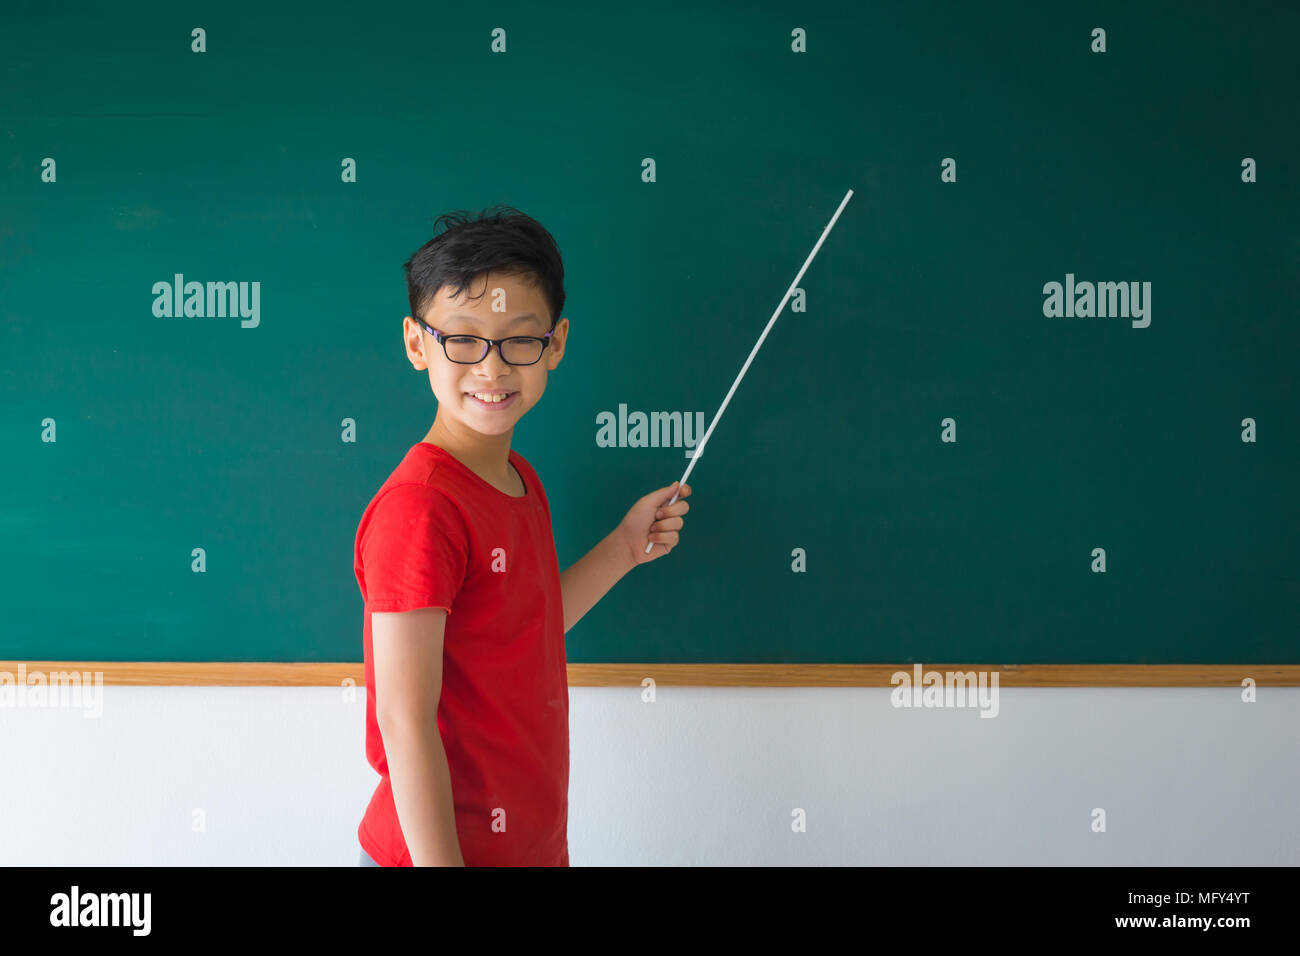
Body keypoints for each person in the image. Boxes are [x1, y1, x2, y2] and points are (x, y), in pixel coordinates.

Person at [354, 207, 691, 866]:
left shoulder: (518, 479)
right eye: (464, 339)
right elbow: (404, 719)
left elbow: (523, 627)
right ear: (418, 343)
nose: (491, 366)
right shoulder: (422, 509)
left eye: (518, 340)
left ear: (555, 344)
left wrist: (624, 546)